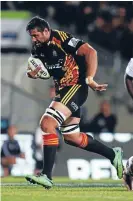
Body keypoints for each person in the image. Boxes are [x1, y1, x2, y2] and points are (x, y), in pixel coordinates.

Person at [25, 16, 123, 189]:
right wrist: (32, 73)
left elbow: (91, 52)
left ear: (46, 31)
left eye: (36, 35)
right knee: (72, 137)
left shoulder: (62, 39)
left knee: (47, 123)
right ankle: (112, 154)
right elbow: (41, 70)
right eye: (32, 36)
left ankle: (46, 175)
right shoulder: (37, 49)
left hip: (76, 87)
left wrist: (90, 78)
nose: (33, 39)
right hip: (63, 90)